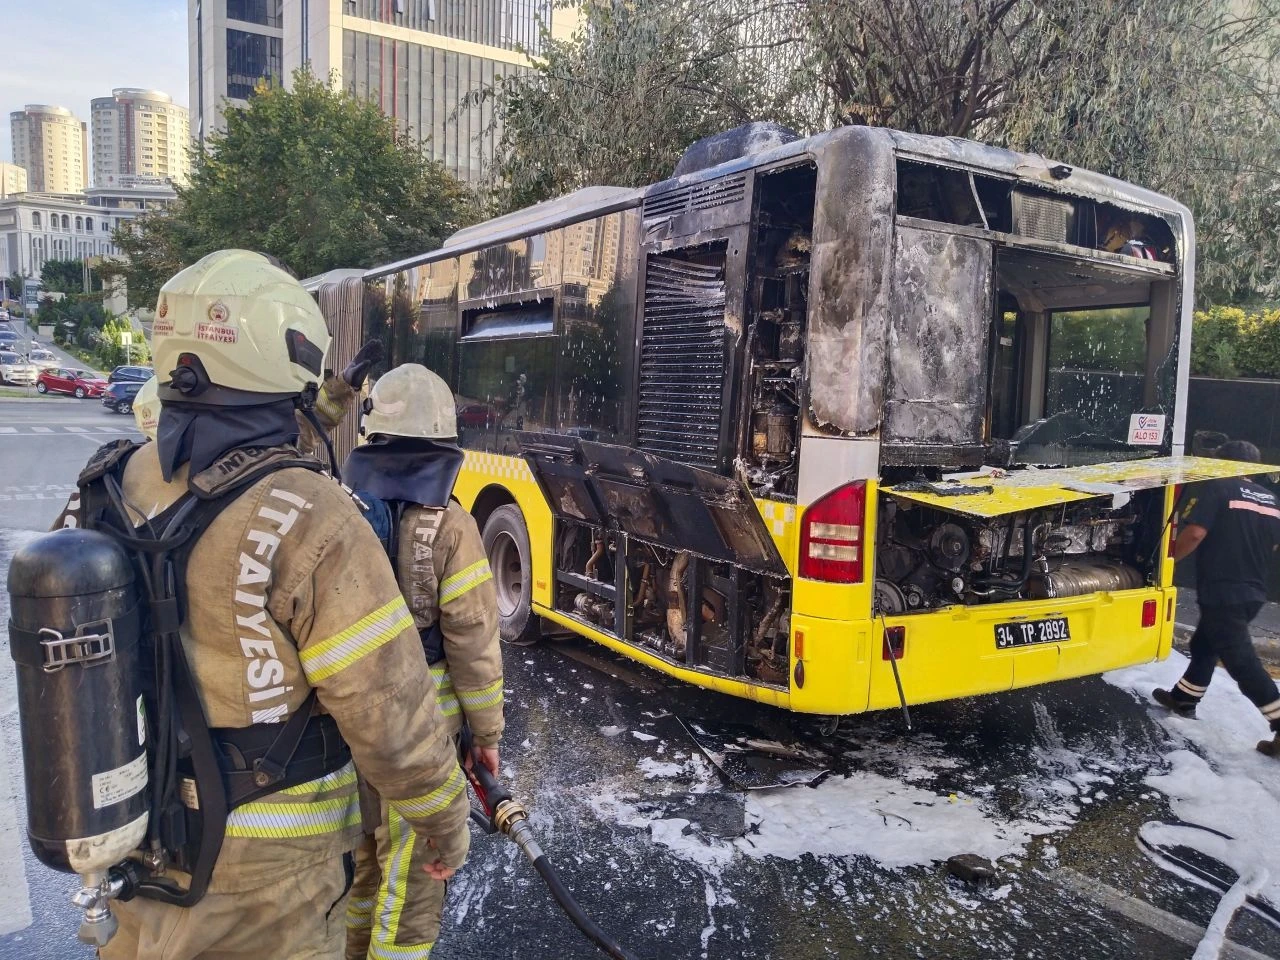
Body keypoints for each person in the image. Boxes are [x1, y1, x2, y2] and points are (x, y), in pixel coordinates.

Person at [58, 250, 471, 959]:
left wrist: (334, 397)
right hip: (269, 887)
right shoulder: (311, 515)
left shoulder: (110, 485)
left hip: (142, 842)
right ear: (281, 355)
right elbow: (388, 709)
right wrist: (444, 819)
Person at [341, 363, 504, 960]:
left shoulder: (338, 511)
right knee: (412, 875)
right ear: (444, 440)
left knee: (357, 863)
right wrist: (485, 735)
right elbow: (473, 640)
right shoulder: (451, 525)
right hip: (420, 735)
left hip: (347, 723)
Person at [1153, 440, 1280, 756]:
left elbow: (1195, 533)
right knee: (1205, 644)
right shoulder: (1270, 499)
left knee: (1241, 663)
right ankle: (1184, 698)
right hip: (1253, 591)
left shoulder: (1219, 488)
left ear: (1225, 464)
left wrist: (1165, 563)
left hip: (1225, 590)